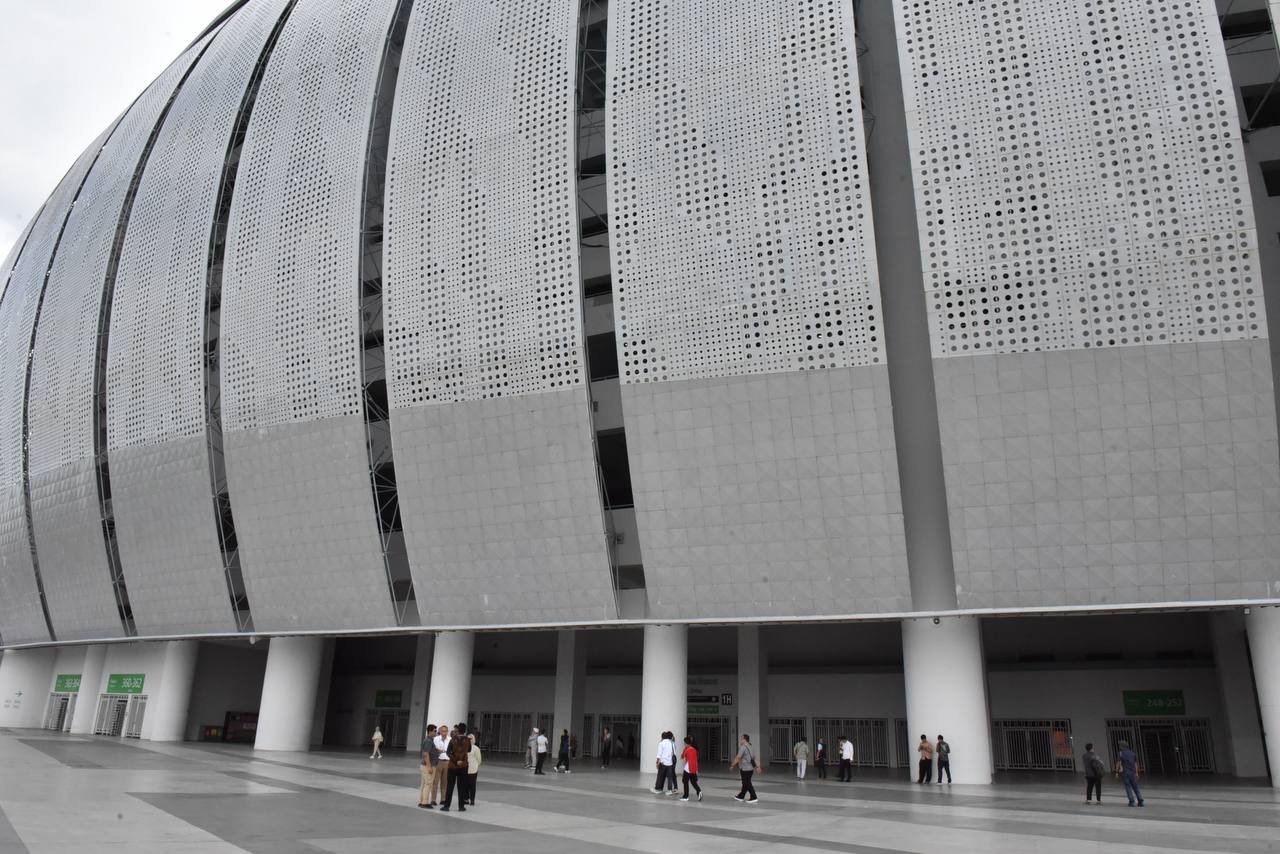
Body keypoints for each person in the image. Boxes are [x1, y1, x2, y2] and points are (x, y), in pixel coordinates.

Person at [441, 721, 471, 812]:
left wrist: (455, 760)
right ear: (465, 730)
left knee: (450, 786)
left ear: (458, 730)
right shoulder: (468, 740)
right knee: (461, 787)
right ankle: (461, 807)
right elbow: (469, 750)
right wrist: (461, 760)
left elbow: (448, 752)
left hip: (452, 766)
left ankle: (446, 806)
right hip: (464, 766)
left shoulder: (453, 739)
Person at [729, 733, 760, 803]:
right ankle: (741, 796)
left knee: (747, 783)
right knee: (745, 783)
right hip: (750, 769)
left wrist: (732, 765)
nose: (740, 740)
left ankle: (753, 797)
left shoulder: (743, 747)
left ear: (744, 739)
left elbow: (738, 757)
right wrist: (758, 767)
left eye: (741, 739)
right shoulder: (751, 746)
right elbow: (755, 758)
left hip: (745, 768)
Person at [1115, 741, 1144, 807]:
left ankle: (1132, 801)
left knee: (1128, 787)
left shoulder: (1120, 753)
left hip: (1125, 773)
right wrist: (1136, 773)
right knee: (1135, 787)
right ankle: (1140, 800)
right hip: (1133, 773)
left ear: (1122, 746)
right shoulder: (1133, 753)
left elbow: (1118, 763)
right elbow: (1135, 764)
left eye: (1120, 745)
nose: (1119, 747)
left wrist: (1116, 772)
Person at [418, 724, 438, 809]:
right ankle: (425, 803)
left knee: (424, 784)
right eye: (435, 731)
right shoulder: (428, 741)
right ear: (430, 731)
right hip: (428, 766)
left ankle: (422, 801)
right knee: (428, 784)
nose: (436, 732)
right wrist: (429, 767)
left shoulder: (430, 740)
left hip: (426, 765)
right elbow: (426, 754)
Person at [432, 724, 451, 805]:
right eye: (443, 731)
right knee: (435, 781)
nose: (444, 732)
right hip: (438, 761)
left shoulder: (450, 739)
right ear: (440, 731)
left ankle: (443, 799)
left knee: (444, 782)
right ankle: (433, 799)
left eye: (446, 731)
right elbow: (433, 749)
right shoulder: (436, 739)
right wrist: (438, 750)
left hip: (447, 762)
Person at [680, 735, 702, 802]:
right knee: (693, 782)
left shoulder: (687, 749)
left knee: (685, 781)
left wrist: (685, 749)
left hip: (688, 768)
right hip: (694, 768)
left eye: (684, 743)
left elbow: (682, 756)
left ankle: (686, 796)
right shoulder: (694, 749)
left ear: (686, 743)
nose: (684, 744)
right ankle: (699, 791)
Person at [467, 730, 482, 805]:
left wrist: (476, 766)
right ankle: (466, 799)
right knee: (465, 785)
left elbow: (479, 760)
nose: (469, 740)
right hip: (465, 769)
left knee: (472, 785)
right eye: (468, 739)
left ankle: (472, 800)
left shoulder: (476, 748)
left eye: (471, 739)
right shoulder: (464, 747)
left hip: (473, 770)